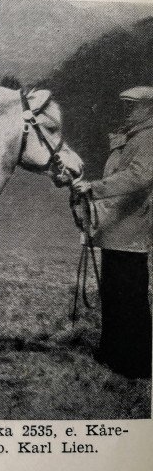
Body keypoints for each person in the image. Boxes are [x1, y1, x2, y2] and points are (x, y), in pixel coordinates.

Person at [72, 86, 153, 379]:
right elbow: (116, 172)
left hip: (131, 226)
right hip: (114, 226)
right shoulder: (130, 136)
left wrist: (95, 187)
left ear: (149, 108)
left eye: (132, 106)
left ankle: (136, 363)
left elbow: (139, 176)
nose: (126, 111)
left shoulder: (148, 137)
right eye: (124, 105)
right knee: (113, 292)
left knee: (129, 294)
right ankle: (112, 354)